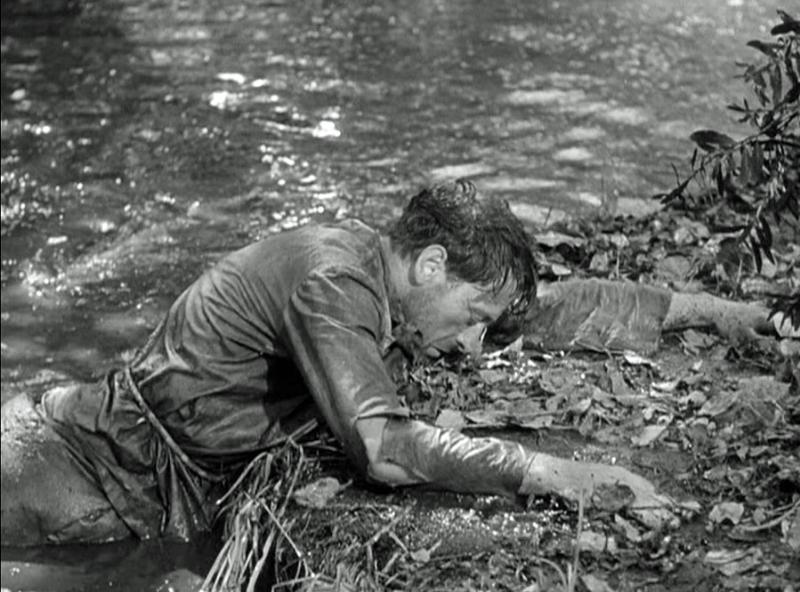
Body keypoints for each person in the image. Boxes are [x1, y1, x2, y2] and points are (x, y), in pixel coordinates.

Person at [1, 179, 681, 547]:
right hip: (65, 474)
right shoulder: (334, 282)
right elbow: (383, 450)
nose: (476, 344)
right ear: (432, 264)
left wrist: (694, 311)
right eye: (473, 316)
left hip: (111, 466)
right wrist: (550, 471)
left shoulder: (376, 269)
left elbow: (542, 313)